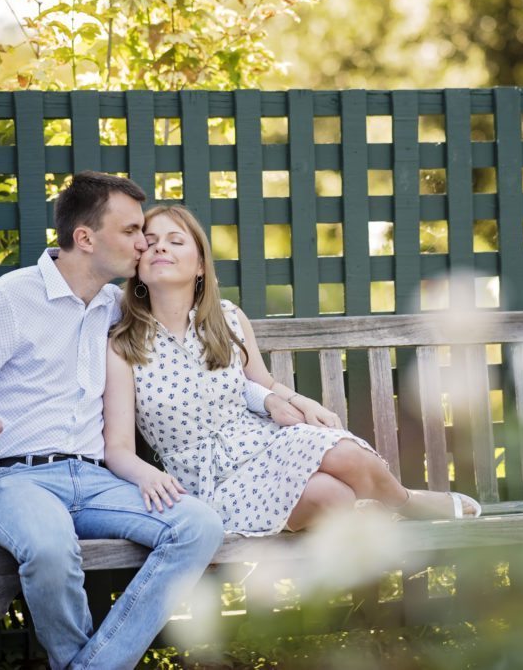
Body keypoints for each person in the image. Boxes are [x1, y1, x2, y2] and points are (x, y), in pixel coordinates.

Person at [0, 173, 244, 670]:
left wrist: (272, 397)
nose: (144, 243)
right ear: (86, 238)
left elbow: (198, 356)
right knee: (50, 550)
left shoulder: (116, 307)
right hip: (18, 478)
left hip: (96, 480)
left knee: (198, 525)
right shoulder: (12, 298)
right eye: (131, 231)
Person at [102, 204, 482, 537]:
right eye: (150, 242)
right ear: (138, 266)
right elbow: (118, 449)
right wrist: (148, 476)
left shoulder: (228, 320)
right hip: (208, 484)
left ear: (201, 265)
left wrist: (297, 402)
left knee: (347, 453)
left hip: (261, 443)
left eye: (175, 240)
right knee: (333, 496)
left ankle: (405, 501)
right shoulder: (124, 345)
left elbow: (262, 383)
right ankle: (367, 515)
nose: (160, 247)